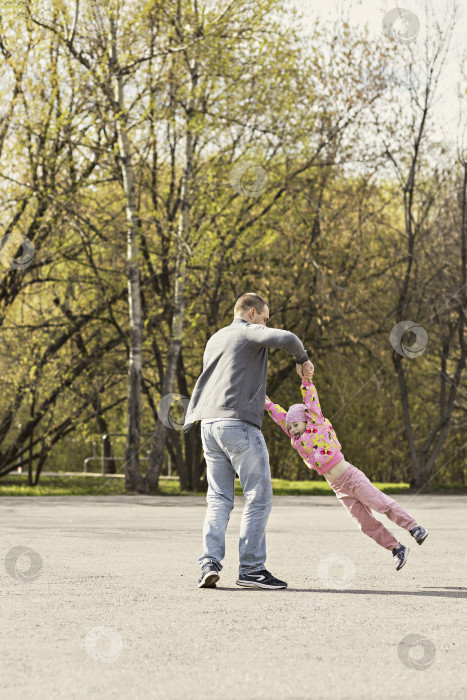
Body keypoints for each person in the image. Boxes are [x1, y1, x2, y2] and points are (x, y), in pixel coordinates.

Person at [184, 293, 313, 589]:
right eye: (265, 319)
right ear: (252, 313)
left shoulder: (216, 338)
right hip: (238, 424)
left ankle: (209, 563)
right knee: (258, 496)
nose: (266, 325)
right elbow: (289, 338)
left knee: (218, 498)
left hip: (209, 424)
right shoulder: (247, 329)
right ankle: (252, 568)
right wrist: (302, 360)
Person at [265, 364, 428, 571]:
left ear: (306, 420)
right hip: (338, 488)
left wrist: (306, 381)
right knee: (364, 524)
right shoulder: (296, 438)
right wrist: (269, 406)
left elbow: (311, 402)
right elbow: (282, 420)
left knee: (381, 504)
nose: (292, 430)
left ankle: (413, 527)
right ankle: (397, 548)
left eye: (296, 425)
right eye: (290, 428)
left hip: (351, 476)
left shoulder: (316, 422)